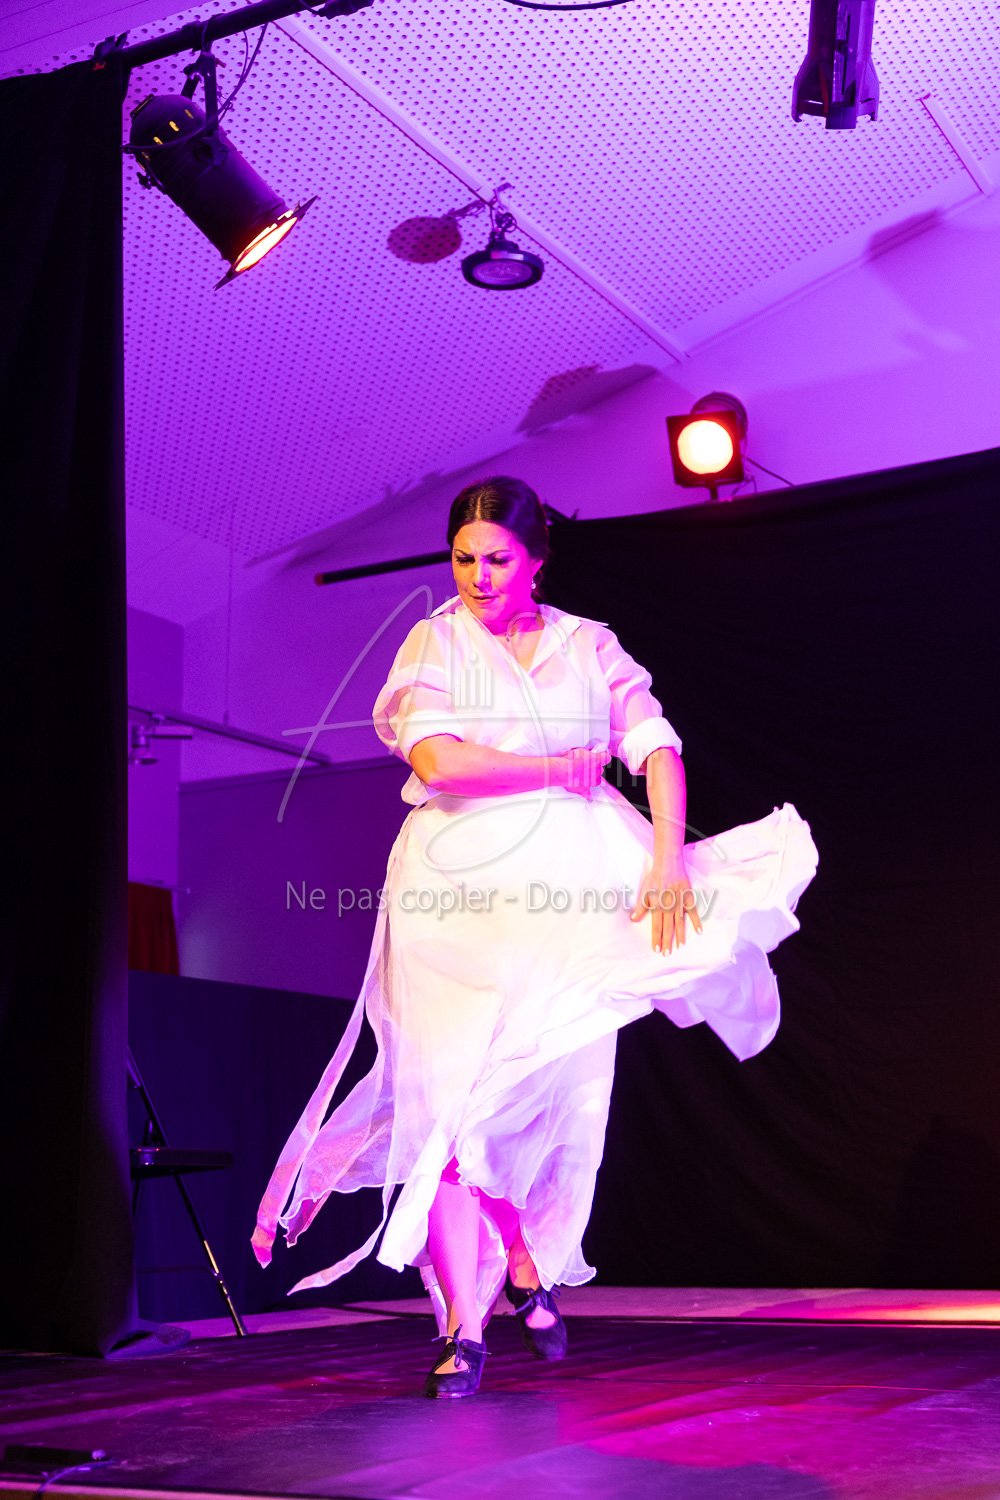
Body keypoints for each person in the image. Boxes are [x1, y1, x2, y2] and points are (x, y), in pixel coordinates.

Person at [252, 475, 818, 1398]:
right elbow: (437, 759)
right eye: (463, 559)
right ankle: (462, 1326)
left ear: (537, 560)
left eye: (498, 560)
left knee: (522, 1096)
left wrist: (667, 858)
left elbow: (656, 746)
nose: (478, 576)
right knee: (447, 1102)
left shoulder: (587, 644)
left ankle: (520, 1258)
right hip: (452, 895)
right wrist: (557, 767)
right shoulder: (435, 640)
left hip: (564, 897)